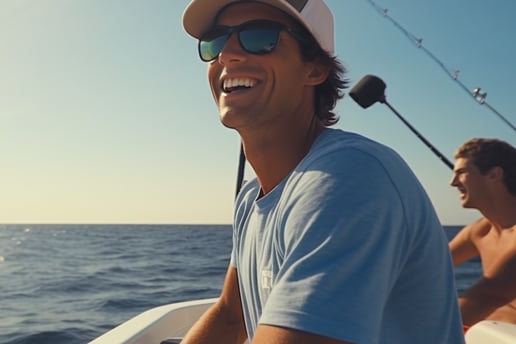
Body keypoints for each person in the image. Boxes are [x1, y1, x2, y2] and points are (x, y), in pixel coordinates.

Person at [179, 0, 465, 343]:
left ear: (314, 70)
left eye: (259, 37)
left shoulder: (351, 176)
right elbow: (230, 316)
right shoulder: (248, 202)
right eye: (216, 41)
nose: (227, 55)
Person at [449, 138, 516, 327]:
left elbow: (490, 295)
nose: (452, 183)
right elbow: (430, 263)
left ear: (494, 174)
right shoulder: (480, 231)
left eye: (461, 172)